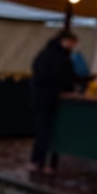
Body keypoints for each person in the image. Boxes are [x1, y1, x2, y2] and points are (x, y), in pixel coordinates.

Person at [30, 30, 79, 174]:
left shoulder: (45, 54)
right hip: (53, 98)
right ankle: (49, 163)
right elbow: (66, 77)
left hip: (41, 98)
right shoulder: (62, 58)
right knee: (52, 131)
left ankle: (37, 160)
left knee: (42, 130)